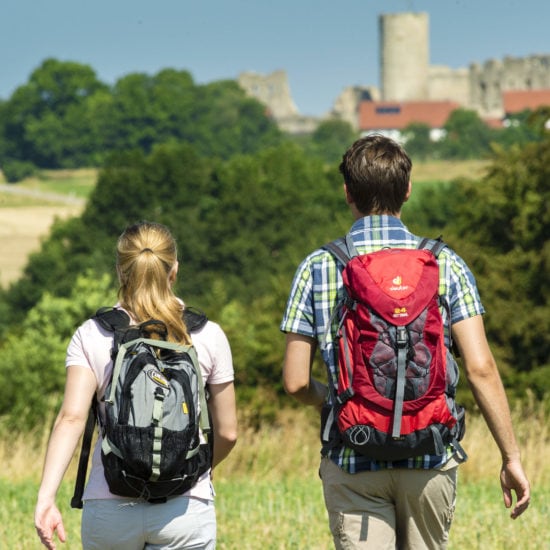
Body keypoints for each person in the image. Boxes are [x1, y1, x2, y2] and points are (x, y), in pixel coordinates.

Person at [280, 134, 530, 549]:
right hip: (430, 455)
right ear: (408, 190)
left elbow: (294, 382)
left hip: (353, 456)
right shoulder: (444, 263)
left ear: (347, 193)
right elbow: (481, 368)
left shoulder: (319, 266)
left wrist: (339, 400)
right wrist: (511, 457)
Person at [35, 221, 238, 550]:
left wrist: (46, 498)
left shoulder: (93, 334)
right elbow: (228, 432)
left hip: (110, 505)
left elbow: (71, 419)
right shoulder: (207, 335)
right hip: (185, 508)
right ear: (174, 269)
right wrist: (184, 466)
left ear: (120, 270)